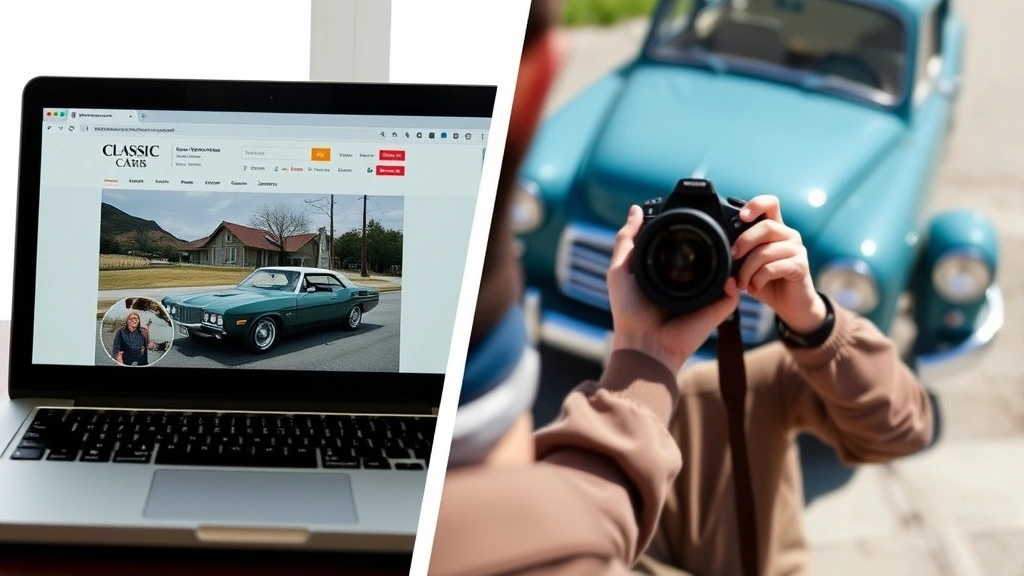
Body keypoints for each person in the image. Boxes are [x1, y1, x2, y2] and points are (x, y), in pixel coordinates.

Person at [427, 1, 935, 574]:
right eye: (671, 246)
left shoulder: (748, 386)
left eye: (697, 249)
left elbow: (901, 429)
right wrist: (648, 357)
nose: (684, 261)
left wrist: (815, 317)